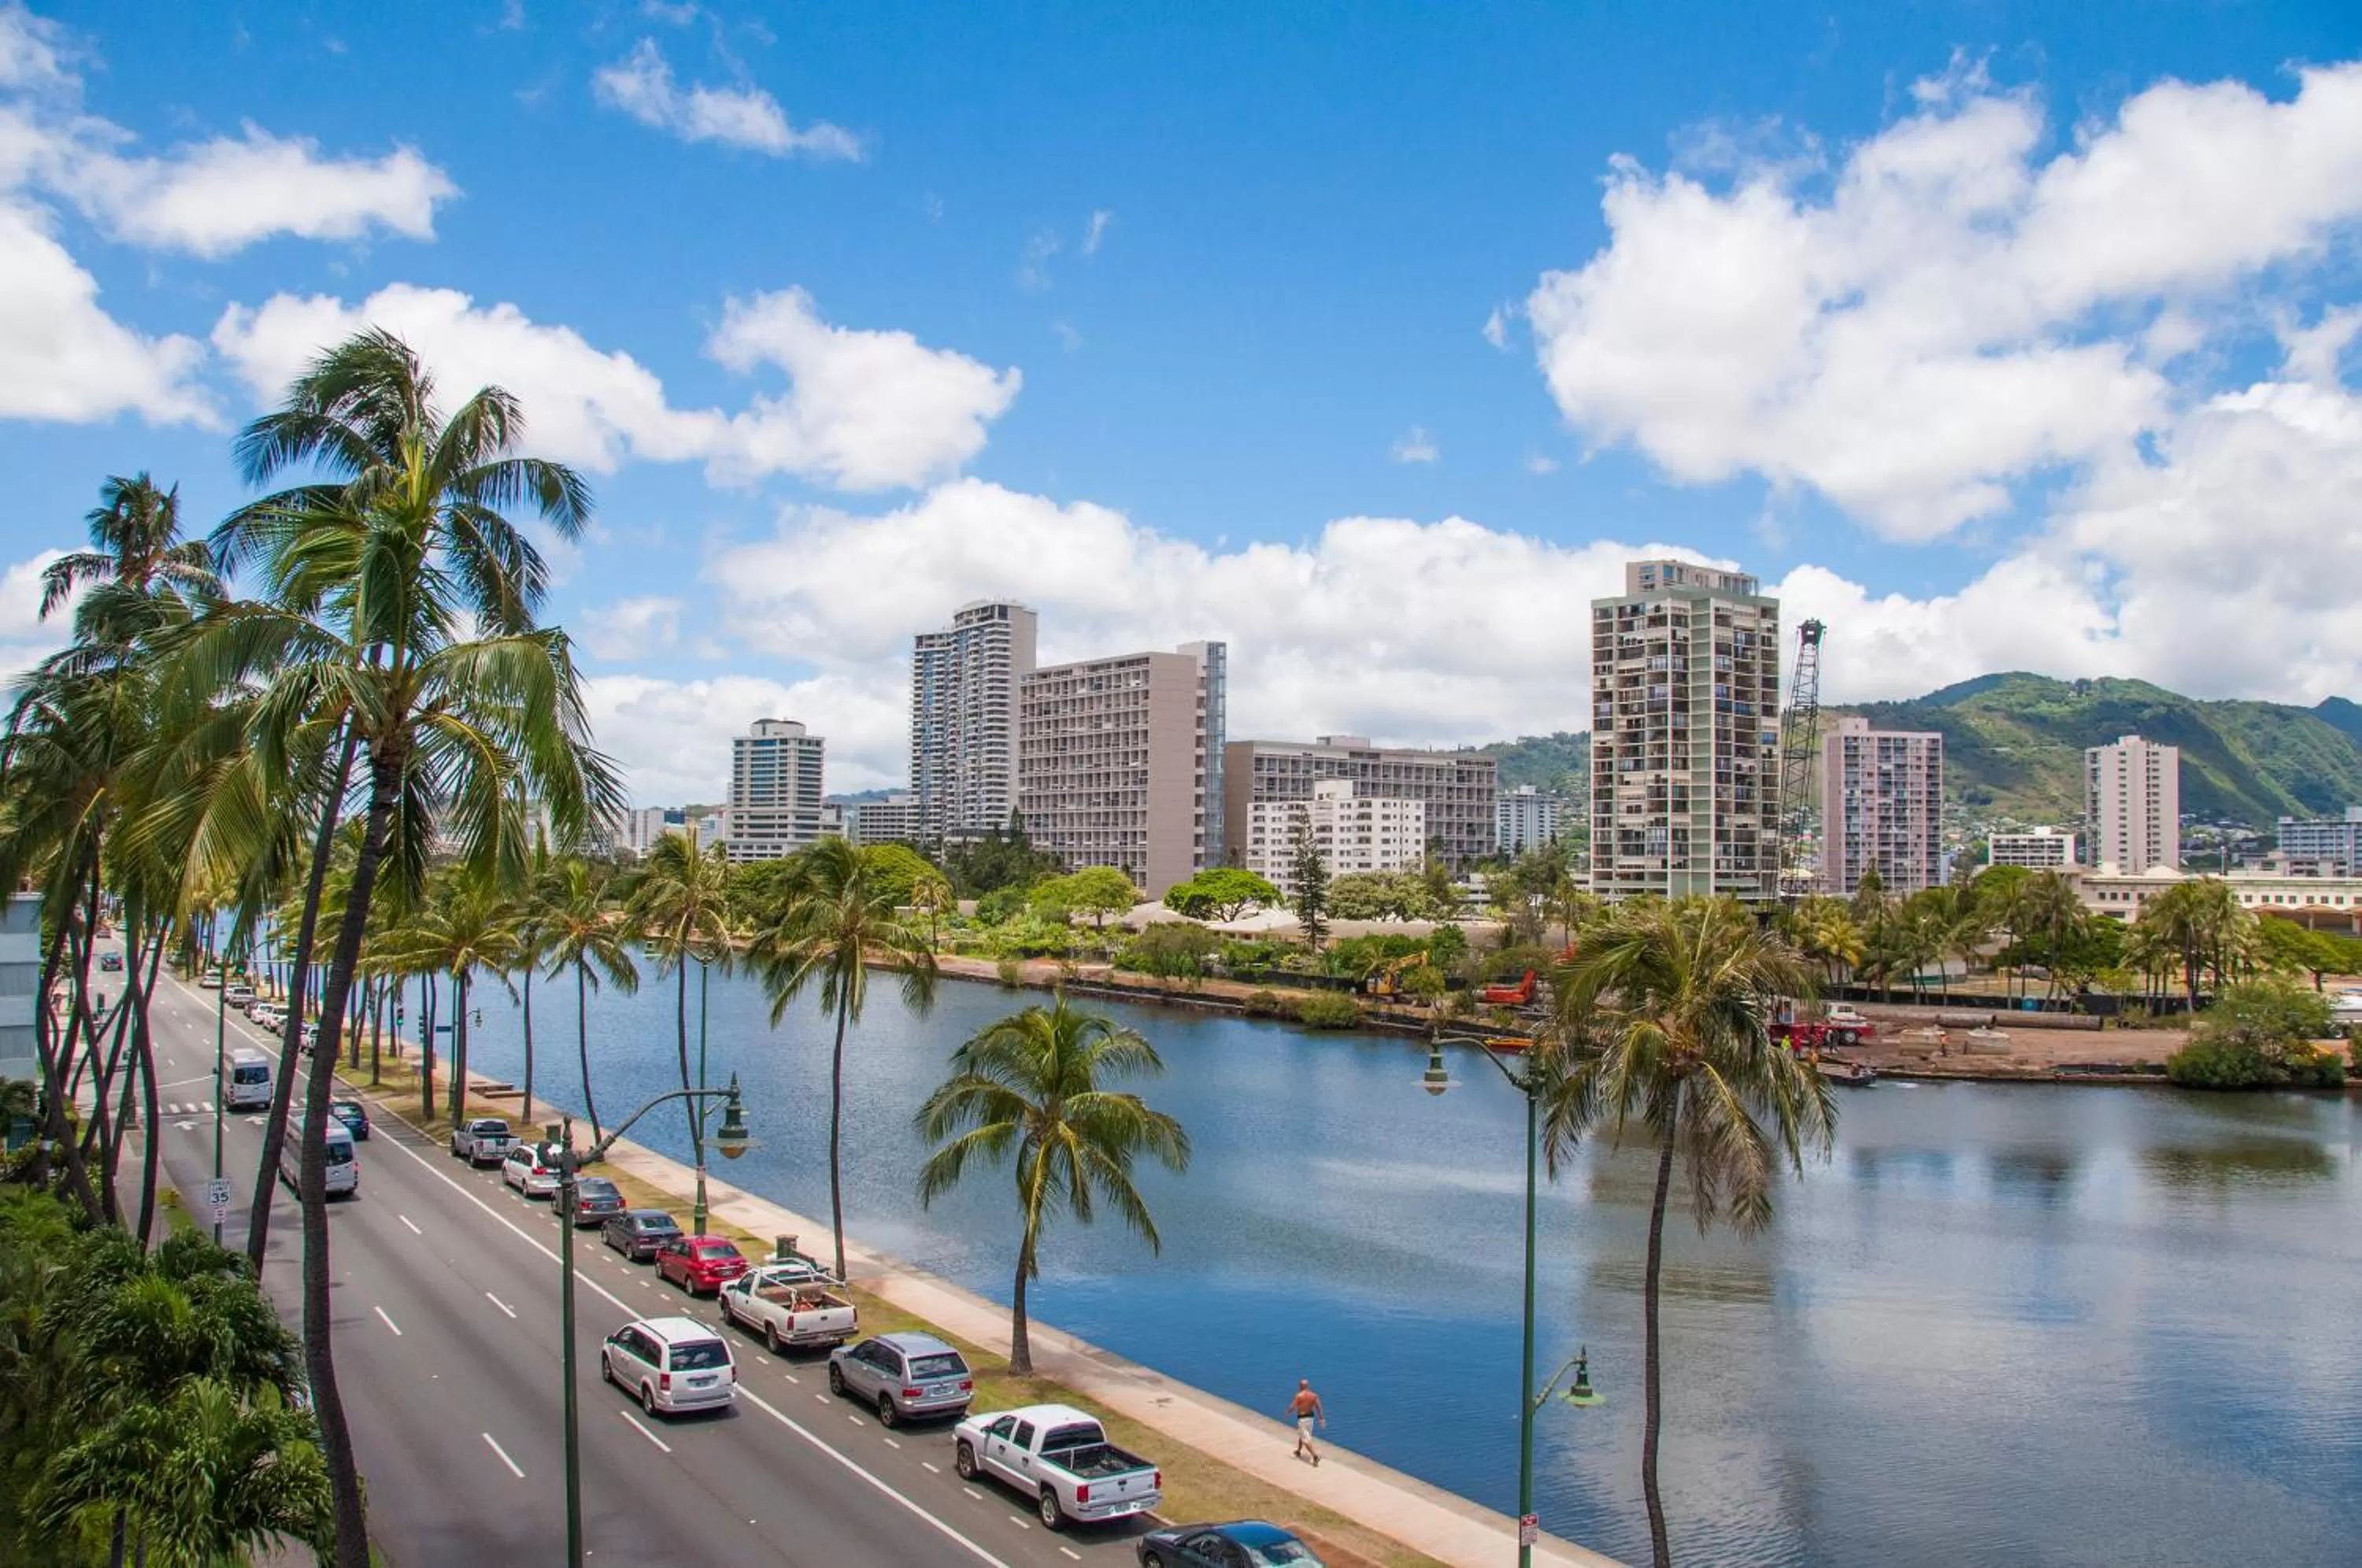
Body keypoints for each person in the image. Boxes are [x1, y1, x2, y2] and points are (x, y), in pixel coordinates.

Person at [1285, 1378, 1325, 1466]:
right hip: (1310, 1418)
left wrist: (1287, 1412)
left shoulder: (1299, 1396)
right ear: (1308, 1386)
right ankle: (1299, 1451)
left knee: (1306, 1439)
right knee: (1303, 1435)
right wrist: (1321, 1418)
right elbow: (1318, 1407)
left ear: (1300, 1386)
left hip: (1302, 1418)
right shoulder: (1314, 1396)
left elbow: (1292, 1406)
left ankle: (1315, 1456)